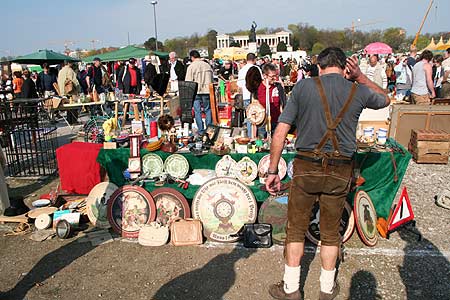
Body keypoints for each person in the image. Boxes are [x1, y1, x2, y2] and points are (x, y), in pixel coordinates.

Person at [265, 47, 389, 300]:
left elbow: (280, 132)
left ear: (319, 67)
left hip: (306, 167)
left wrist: (272, 170)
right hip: (340, 169)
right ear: (344, 67)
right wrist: (361, 77)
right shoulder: (357, 89)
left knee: (296, 230)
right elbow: (385, 99)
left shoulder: (302, 88)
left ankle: (291, 290)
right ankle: (326, 289)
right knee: (331, 233)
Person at [185, 50, 213, 134]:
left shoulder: (191, 66)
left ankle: (201, 130)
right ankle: (209, 129)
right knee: (208, 110)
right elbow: (211, 79)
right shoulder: (207, 65)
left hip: (196, 91)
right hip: (207, 90)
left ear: (192, 57)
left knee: (197, 111)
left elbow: (188, 81)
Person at [256, 63, 286, 137]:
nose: (275, 78)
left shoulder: (278, 87)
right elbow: (254, 108)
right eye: (272, 76)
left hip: (276, 122)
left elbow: (282, 105)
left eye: (276, 76)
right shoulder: (258, 88)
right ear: (264, 76)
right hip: (262, 123)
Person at [237, 53, 260, 136]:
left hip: (245, 96)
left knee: (249, 117)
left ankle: (250, 135)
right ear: (254, 60)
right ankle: (255, 135)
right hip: (254, 96)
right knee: (257, 117)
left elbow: (239, 85)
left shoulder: (242, 70)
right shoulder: (256, 69)